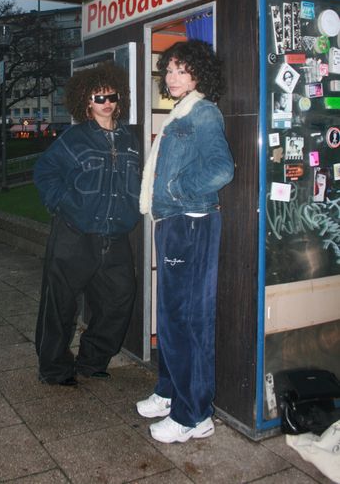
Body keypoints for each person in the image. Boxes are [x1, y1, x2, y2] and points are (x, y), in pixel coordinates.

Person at [137, 40, 234, 443]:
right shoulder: (182, 111)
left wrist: (177, 190)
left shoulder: (203, 112)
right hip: (175, 222)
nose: (173, 77)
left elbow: (221, 169)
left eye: (182, 69)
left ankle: (194, 415)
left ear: (199, 74)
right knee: (171, 315)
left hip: (189, 222)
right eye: (170, 70)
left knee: (187, 318)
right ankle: (170, 390)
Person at [33, 61, 141, 386]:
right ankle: (53, 369)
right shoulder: (74, 139)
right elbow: (45, 172)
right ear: (86, 101)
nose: (106, 103)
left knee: (121, 297)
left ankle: (92, 361)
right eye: (99, 97)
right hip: (75, 235)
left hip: (115, 236)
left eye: (111, 96)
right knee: (60, 305)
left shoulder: (131, 140)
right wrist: (64, 204)